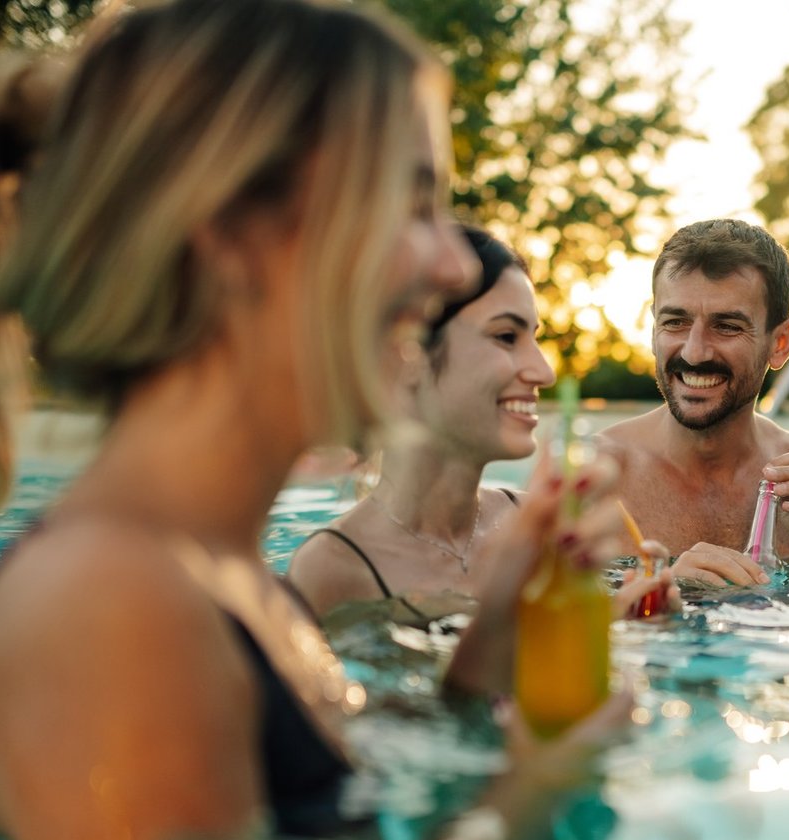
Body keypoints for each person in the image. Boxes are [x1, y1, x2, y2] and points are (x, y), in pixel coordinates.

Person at [0, 0, 632, 840]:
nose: (452, 267)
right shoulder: (104, 604)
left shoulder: (230, 583)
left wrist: (491, 642)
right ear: (234, 233)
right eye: (410, 205)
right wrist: (534, 793)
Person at [286, 224, 676, 623]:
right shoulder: (334, 570)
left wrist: (636, 626)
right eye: (506, 336)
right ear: (408, 351)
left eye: (534, 338)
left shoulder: (540, 532)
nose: (543, 372)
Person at [597, 218, 789, 587]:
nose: (694, 352)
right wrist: (661, 593)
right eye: (675, 322)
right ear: (654, 331)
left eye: (727, 326)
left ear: (780, 343)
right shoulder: (595, 477)